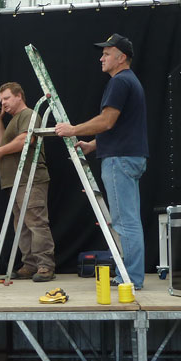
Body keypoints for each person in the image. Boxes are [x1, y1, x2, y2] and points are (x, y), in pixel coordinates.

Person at [55, 33, 148, 289]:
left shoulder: (120, 82)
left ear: (121, 57)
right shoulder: (130, 81)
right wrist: (94, 145)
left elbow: (107, 121)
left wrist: (73, 130)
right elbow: (122, 126)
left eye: (107, 54)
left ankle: (130, 278)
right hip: (129, 156)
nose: (101, 58)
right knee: (130, 220)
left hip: (120, 160)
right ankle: (132, 275)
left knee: (124, 222)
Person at [0, 82, 55, 282]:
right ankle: (30, 264)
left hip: (29, 178)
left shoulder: (28, 114)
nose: (3, 103)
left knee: (36, 221)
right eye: (1, 100)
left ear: (19, 96)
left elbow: (26, 140)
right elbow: (3, 142)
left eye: (7, 98)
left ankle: (45, 265)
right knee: (22, 225)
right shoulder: (14, 119)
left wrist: (0, 152)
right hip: (16, 181)